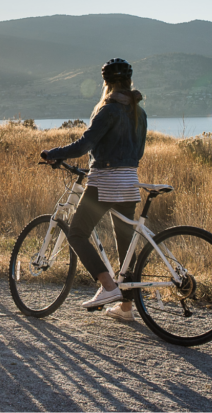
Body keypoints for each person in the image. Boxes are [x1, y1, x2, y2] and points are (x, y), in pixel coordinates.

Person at [40, 58, 147, 322]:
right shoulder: (139, 112)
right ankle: (125, 309)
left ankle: (107, 286)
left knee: (76, 234)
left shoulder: (108, 109)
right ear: (129, 82)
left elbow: (84, 145)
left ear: (106, 83)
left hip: (104, 182)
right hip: (129, 183)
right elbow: (139, 153)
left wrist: (54, 153)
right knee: (126, 248)